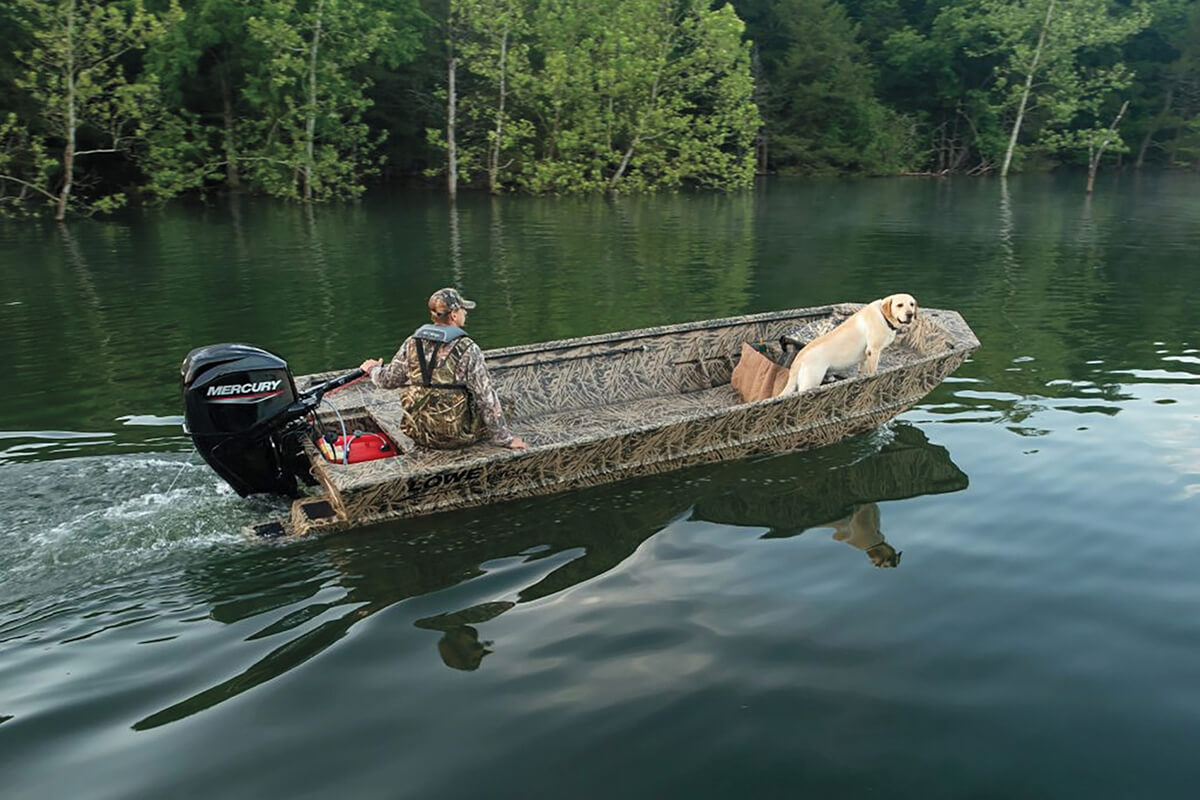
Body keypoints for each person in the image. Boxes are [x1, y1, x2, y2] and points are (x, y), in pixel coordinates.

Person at [359, 288, 527, 450]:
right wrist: (506, 440)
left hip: (418, 432)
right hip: (455, 437)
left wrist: (373, 369)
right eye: (463, 310)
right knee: (504, 404)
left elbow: (387, 381)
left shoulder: (412, 343)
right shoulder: (468, 348)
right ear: (454, 315)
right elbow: (486, 398)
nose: (466, 313)